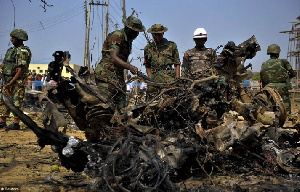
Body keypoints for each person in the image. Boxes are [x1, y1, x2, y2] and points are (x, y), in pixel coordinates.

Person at [94, 15, 144, 109]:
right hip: (106, 77)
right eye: (135, 32)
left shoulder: (128, 41)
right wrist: (130, 67)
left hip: (117, 77)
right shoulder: (116, 36)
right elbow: (114, 58)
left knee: (121, 109)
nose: (137, 35)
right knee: (107, 108)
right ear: (128, 29)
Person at [0, 29, 32, 130]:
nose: (11, 39)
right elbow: (5, 63)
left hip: (17, 81)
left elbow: (21, 69)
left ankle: (16, 123)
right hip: (7, 80)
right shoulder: (11, 50)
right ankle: (2, 122)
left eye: (13, 38)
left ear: (19, 39)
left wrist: (11, 82)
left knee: (17, 101)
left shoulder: (23, 51)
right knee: (3, 100)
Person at [143, 24, 180, 99]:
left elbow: (177, 64)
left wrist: (177, 81)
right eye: (154, 35)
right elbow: (147, 65)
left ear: (163, 33)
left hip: (169, 79)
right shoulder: (148, 48)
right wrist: (150, 79)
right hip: (154, 80)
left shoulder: (171, 46)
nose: (156, 37)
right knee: (151, 103)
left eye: (158, 35)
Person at [260, 44, 296, 114]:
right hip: (281, 88)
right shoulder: (283, 62)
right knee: (285, 106)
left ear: (269, 53)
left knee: (271, 106)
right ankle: (287, 118)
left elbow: (262, 79)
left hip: (268, 88)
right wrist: (287, 78)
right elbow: (293, 74)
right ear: (278, 53)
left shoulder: (264, 64)